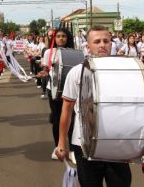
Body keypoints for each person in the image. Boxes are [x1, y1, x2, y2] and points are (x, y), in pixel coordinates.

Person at [56, 26, 132, 187]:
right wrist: (62, 143)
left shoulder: (124, 71)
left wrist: (135, 143)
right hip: (84, 144)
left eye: (106, 41)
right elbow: (67, 110)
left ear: (111, 44)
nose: (102, 45)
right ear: (88, 46)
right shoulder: (77, 72)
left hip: (116, 142)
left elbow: (131, 109)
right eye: (97, 41)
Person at [37, 27, 76, 162]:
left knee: (72, 119)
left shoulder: (74, 53)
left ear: (68, 38)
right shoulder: (49, 52)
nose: (61, 38)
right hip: (53, 90)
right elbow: (46, 70)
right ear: (54, 38)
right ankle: (58, 147)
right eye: (58, 36)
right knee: (56, 118)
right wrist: (43, 73)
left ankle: (72, 149)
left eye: (64, 36)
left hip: (70, 91)